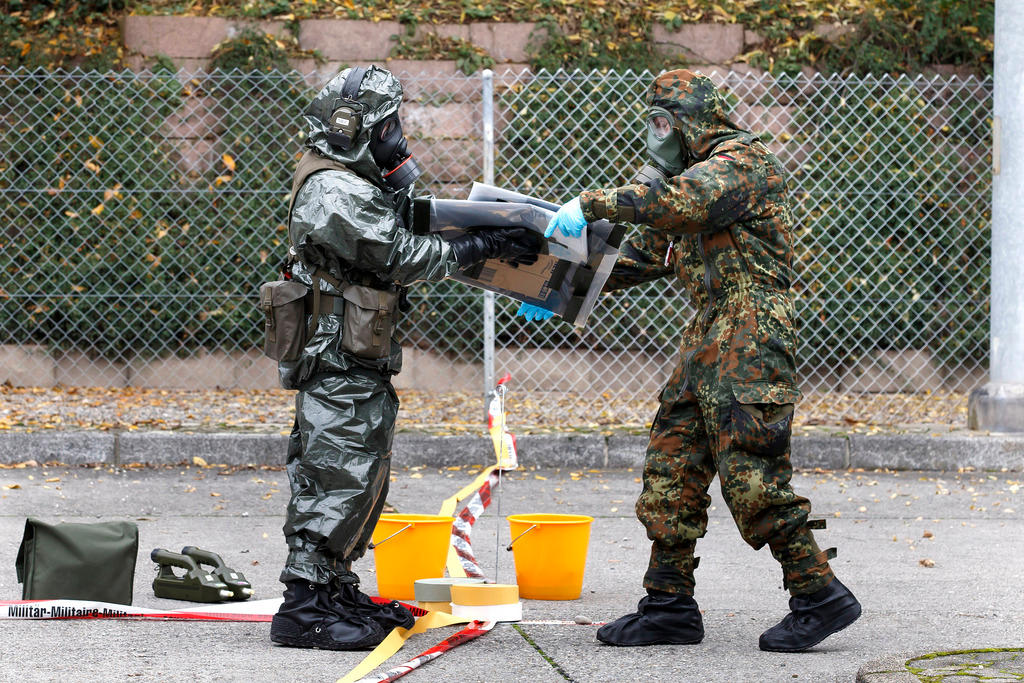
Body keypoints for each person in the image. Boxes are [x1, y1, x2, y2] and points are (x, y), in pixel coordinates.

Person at [519, 69, 861, 652]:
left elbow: (679, 200)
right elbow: (639, 257)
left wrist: (590, 202)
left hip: (751, 335)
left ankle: (819, 593)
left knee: (751, 476)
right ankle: (668, 605)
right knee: (670, 472)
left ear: (692, 123)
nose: (654, 137)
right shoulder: (686, 183)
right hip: (707, 335)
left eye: (662, 124)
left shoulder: (741, 166)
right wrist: (549, 285)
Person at [270, 65, 540, 651]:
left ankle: (333, 587)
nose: (397, 134)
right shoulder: (331, 188)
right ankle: (304, 608)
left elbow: (402, 218)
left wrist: (451, 210)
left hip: (357, 355)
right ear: (352, 126)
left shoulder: (354, 179)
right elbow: (396, 252)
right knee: (336, 471)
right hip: (337, 357)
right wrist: (482, 245)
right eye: (387, 124)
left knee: (361, 471)